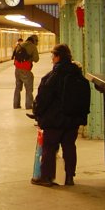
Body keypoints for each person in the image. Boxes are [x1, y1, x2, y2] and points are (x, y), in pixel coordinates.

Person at [29, 43, 89, 187]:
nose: (52, 59)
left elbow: (43, 98)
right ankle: (69, 177)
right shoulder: (78, 75)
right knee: (69, 147)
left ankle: (46, 177)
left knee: (50, 147)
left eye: (53, 56)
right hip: (73, 120)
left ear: (58, 57)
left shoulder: (53, 76)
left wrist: (38, 113)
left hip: (54, 120)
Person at [12, 35, 39, 109]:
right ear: (34, 40)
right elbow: (36, 59)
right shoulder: (33, 46)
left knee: (17, 88)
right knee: (29, 88)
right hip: (26, 69)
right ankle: (28, 105)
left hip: (17, 69)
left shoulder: (20, 45)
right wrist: (30, 58)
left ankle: (16, 105)